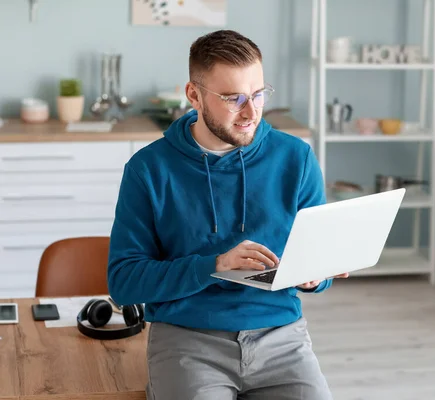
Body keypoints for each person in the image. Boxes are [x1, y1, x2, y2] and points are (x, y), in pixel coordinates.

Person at [107, 29, 348, 400]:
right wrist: (215, 265)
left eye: (258, 94)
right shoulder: (148, 169)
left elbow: (316, 269)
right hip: (188, 339)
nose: (251, 112)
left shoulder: (296, 159)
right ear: (194, 96)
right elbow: (124, 283)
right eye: (234, 98)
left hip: (281, 338)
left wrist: (314, 277)